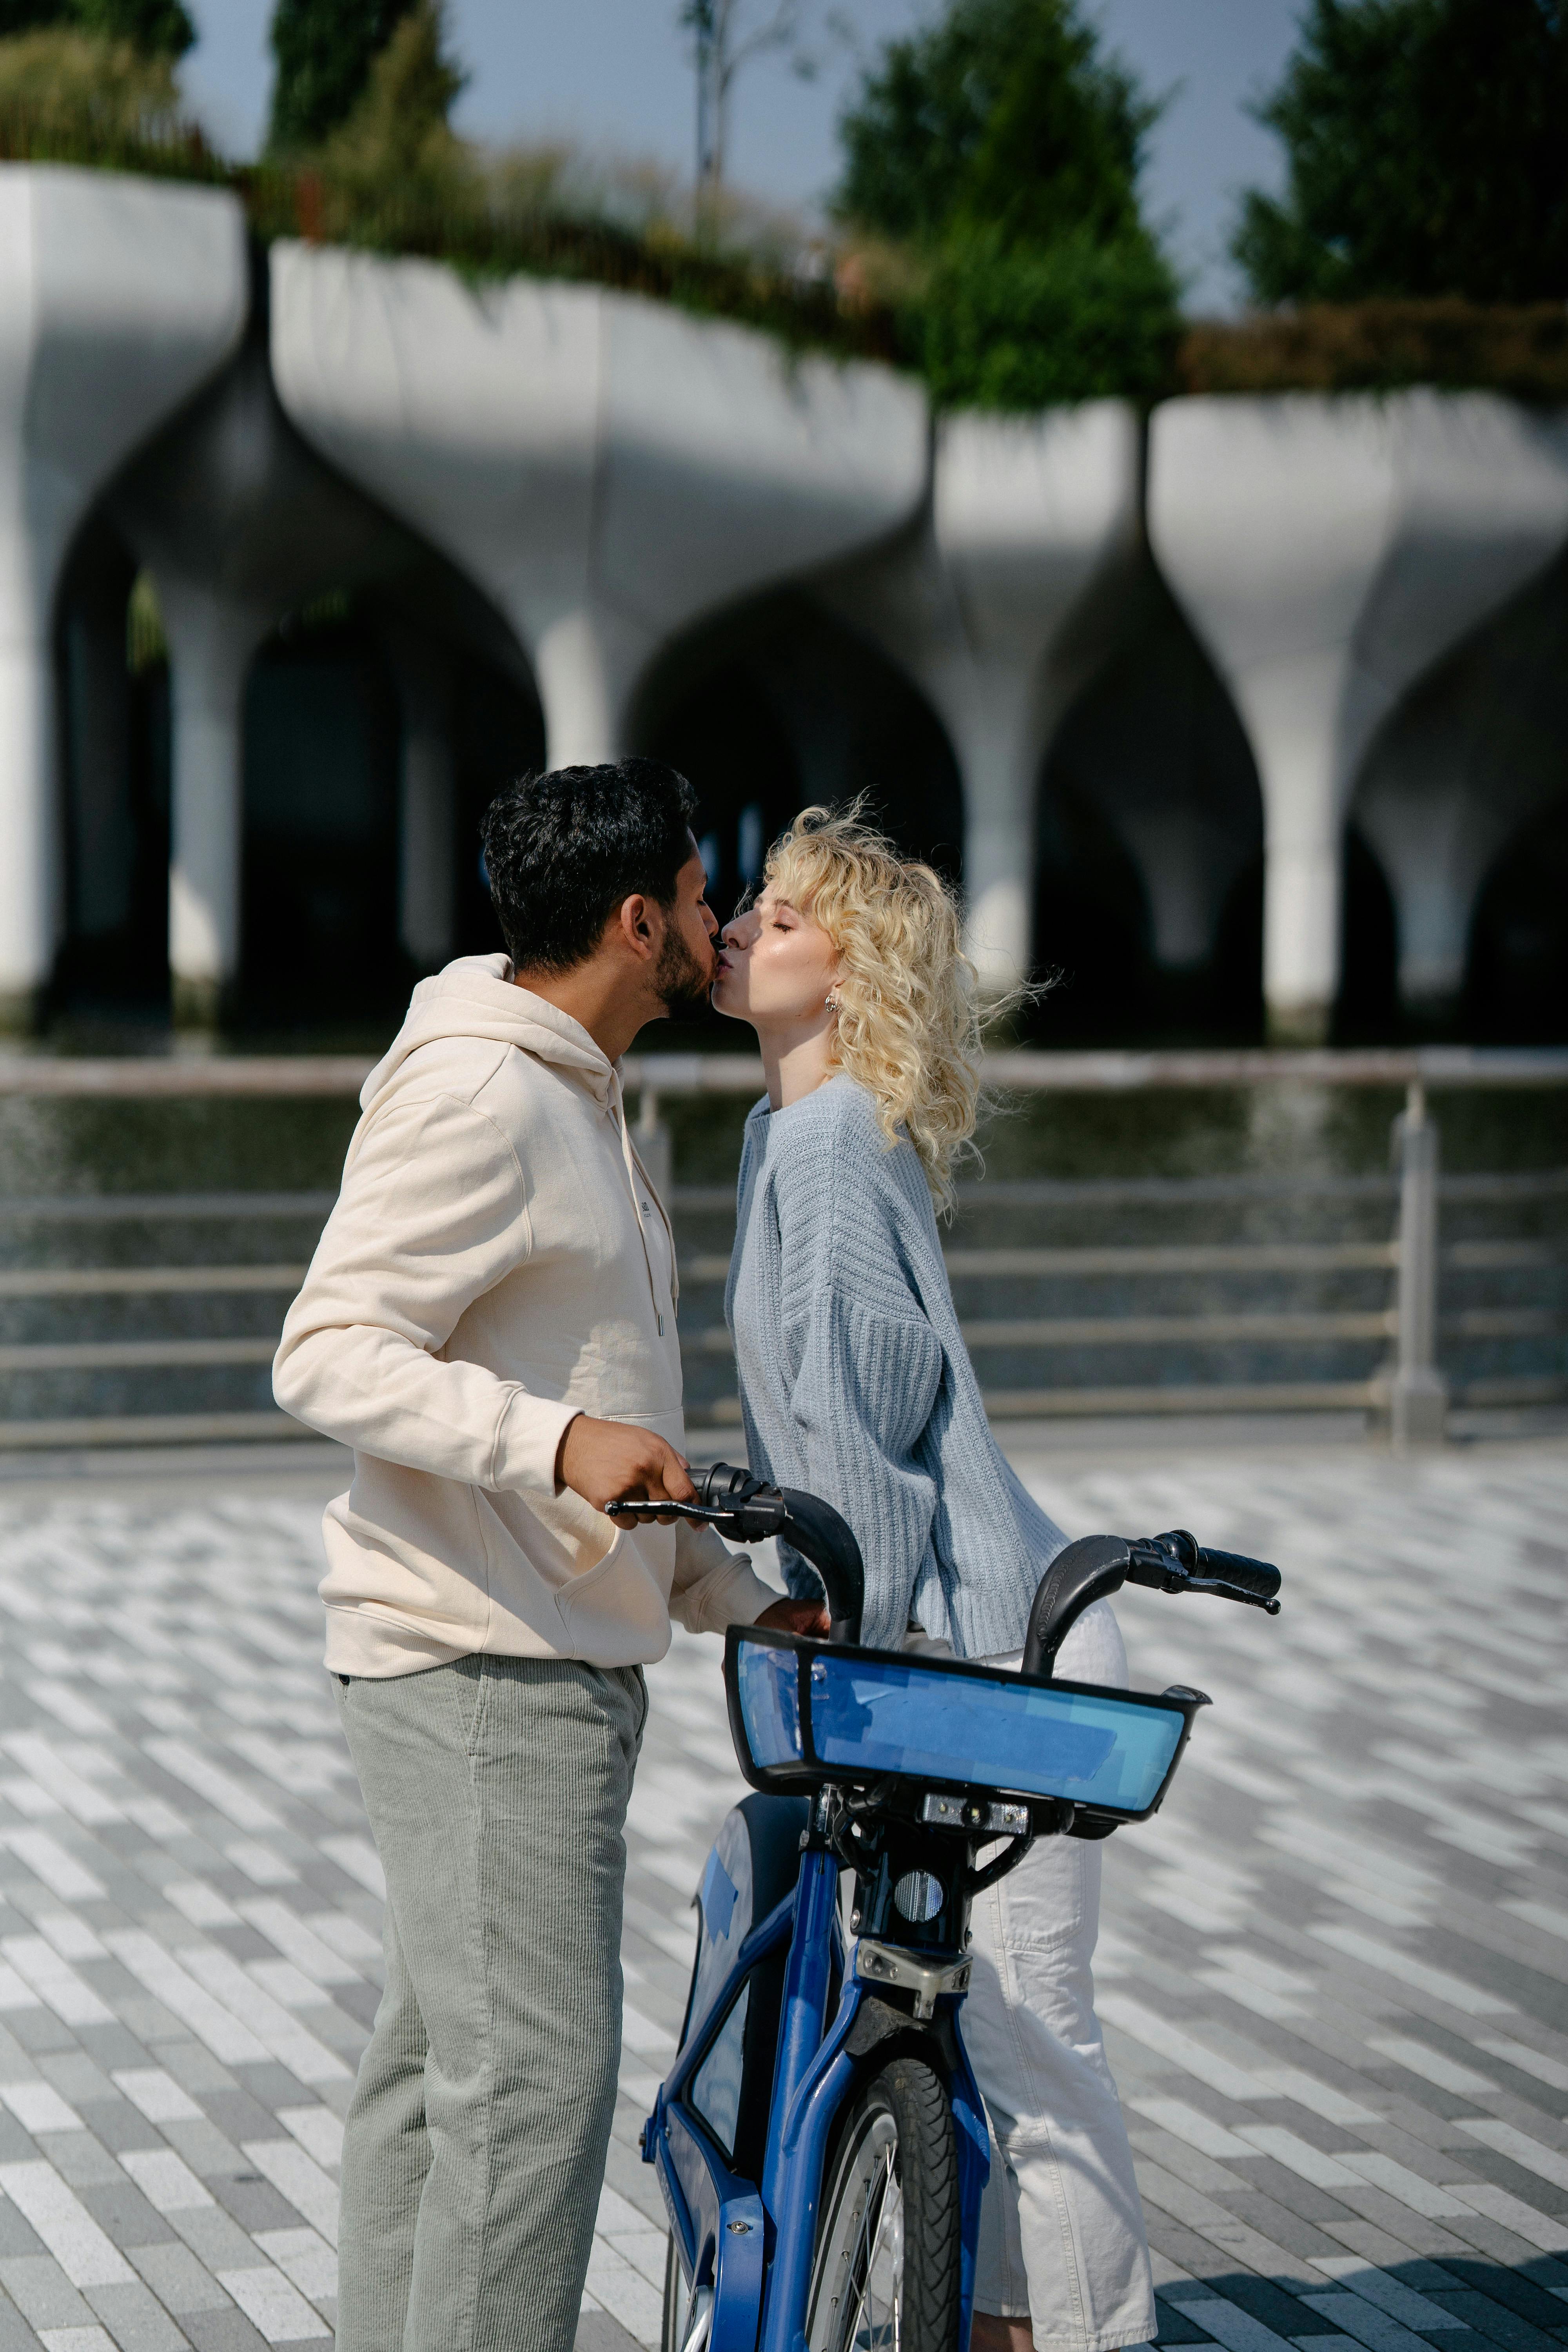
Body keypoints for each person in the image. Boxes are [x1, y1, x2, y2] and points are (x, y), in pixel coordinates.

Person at [273, 760, 822, 2352]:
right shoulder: (487, 1093)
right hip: (482, 1665)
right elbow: (330, 1350)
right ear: (639, 919)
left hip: (521, 1644)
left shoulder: (575, 1085)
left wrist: (728, 1591)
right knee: (531, 2096)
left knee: (443, 2089)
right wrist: (551, 1445)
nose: (719, 924)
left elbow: (606, 1402)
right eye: (705, 897)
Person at [710, 805, 1157, 2352]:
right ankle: (998, 2327)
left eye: (775, 918)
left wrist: (845, 1616)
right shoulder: (788, 1130)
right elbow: (819, 1429)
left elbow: (860, 1437)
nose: (737, 930)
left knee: (1037, 2054)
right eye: (748, 909)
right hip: (944, 1654)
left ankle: (1088, 2339)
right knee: (970, 2038)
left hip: (992, 1657)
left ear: (848, 972)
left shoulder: (828, 1144)